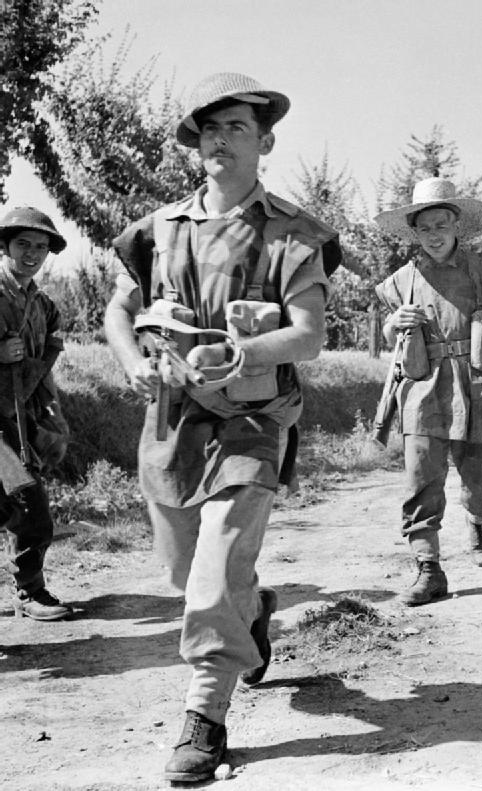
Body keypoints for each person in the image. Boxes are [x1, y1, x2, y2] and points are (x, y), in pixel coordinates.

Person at [104, 72, 341, 783]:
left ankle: (204, 715)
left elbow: (308, 334)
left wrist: (240, 353)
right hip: (172, 422)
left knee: (211, 575)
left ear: (263, 142)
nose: (220, 139)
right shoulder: (160, 229)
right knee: (185, 570)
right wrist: (129, 362)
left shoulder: (291, 233)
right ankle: (255, 607)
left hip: (253, 422)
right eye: (209, 128)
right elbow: (119, 311)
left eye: (236, 127)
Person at [374, 177, 482, 605]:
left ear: (456, 226)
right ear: (414, 231)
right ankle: (428, 567)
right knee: (421, 478)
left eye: (442, 224)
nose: (434, 234)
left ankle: (477, 517)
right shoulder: (401, 280)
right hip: (423, 391)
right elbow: (389, 334)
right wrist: (394, 324)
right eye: (425, 227)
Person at [0, 207, 71, 620]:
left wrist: (47, 416)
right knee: (25, 502)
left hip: (17, 421)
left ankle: (27, 589)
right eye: (23, 244)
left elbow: (46, 359)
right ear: (5, 246)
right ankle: (28, 591)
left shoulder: (42, 305)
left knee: (25, 503)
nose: (32, 253)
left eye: (41, 247)